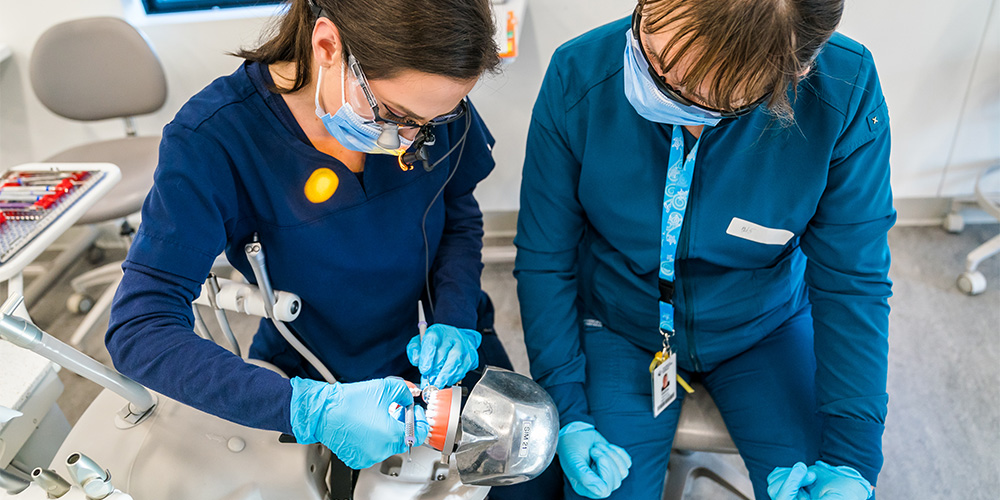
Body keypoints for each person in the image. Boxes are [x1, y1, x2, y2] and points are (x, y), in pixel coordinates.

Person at [106, 0, 506, 474]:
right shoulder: (214, 139)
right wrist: (306, 409)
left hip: (440, 347)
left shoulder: (428, 101)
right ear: (327, 45)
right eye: (395, 114)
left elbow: (458, 213)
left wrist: (456, 317)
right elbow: (140, 328)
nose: (410, 142)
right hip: (312, 371)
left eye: (432, 123)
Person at [515, 0, 892, 499]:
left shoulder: (844, 94)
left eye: (690, 92)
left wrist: (852, 460)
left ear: (788, 78)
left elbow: (853, 282)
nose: (652, 83)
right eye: (650, 50)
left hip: (765, 325)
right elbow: (545, 258)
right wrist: (567, 410)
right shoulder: (580, 73)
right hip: (621, 324)